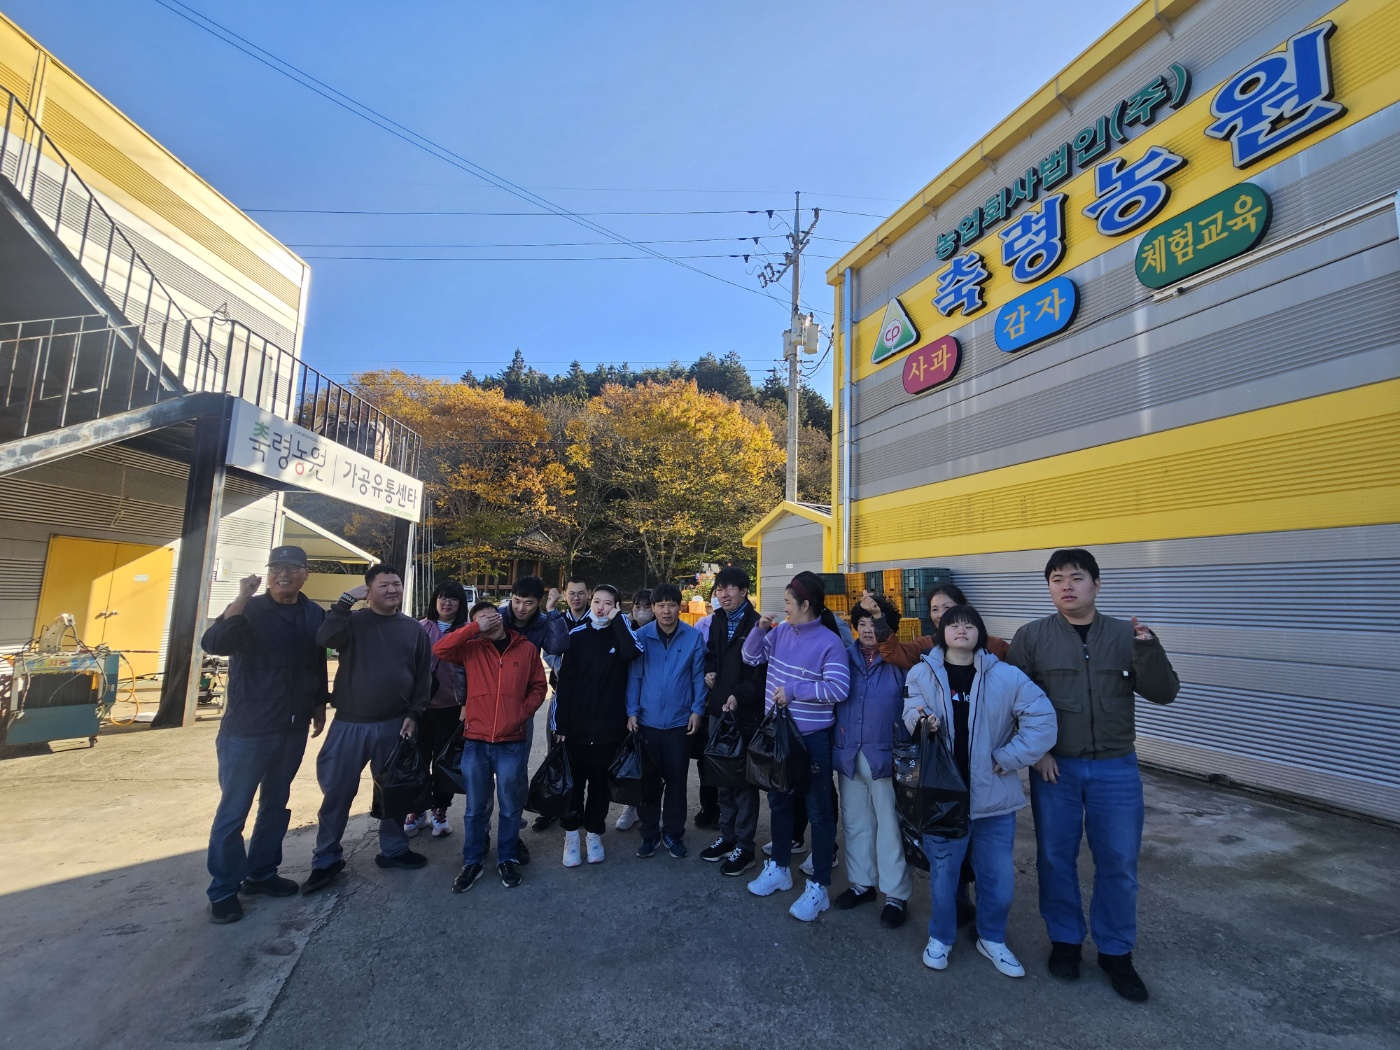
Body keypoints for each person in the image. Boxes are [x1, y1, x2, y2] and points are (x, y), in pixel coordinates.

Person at [1008, 548, 1179, 1002]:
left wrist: (1148, 649)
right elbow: (1014, 701)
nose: (1066, 585)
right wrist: (1037, 752)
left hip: (1115, 769)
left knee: (1119, 862)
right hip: (1056, 770)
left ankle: (1116, 952)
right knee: (1054, 858)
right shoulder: (1032, 637)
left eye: (1076, 577)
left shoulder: (1127, 635)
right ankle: (1065, 942)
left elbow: (1165, 692)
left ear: (1096, 584)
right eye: (1057, 579)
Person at [904, 604, 1056, 976]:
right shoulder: (922, 673)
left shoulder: (1006, 675)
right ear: (942, 633)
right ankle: (940, 936)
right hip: (942, 797)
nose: (961, 630)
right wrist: (921, 721)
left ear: (980, 633)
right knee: (944, 876)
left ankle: (992, 938)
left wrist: (1010, 756)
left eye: (969, 625)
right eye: (953, 625)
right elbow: (909, 710)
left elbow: (1042, 719)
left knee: (997, 879)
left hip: (994, 800)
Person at [865, 582, 1006, 926]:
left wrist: (1014, 751)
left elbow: (1022, 699)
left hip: (985, 765)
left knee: (985, 846)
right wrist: (878, 619)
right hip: (942, 763)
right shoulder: (926, 648)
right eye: (935, 610)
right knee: (948, 832)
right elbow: (893, 652)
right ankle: (956, 903)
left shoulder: (996, 648)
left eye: (948, 608)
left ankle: (988, 922)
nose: (942, 615)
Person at [201, 546, 328, 924]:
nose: (282, 575)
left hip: (292, 726)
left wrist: (319, 704)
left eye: (291, 568)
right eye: (276, 568)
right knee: (233, 811)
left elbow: (316, 661)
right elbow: (215, 644)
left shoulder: (313, 613)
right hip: (247, 728)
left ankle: (261, 873)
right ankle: (224, 889)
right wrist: (241, 595)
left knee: (276, 804)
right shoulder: (249, 609)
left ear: (305, 574)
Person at [303, 564, 433, 893]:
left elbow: (423, 676)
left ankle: (394, 849)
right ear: (368, 591)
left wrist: (414, 713)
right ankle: (326, 858)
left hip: (395, 723)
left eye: (396, 584)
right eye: (384, 585)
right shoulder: (353, 622)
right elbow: (324, 638)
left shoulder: (413, 629)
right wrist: (344, 602)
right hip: (350, 723)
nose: (392, 590)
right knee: (337, 793)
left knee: (394, 791)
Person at [741, 571, 850, 922]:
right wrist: (759, 629)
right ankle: (780, 867)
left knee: (818, 811)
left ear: (806, 604)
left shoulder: (830, 642)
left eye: (788, 601)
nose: (784, 606)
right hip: (778, 734)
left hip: (812, 739)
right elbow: (750, 657)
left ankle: (819, 886)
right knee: (779, 801)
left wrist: (795, 691)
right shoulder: (781, 632)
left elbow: (838, 689)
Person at [432, 601, 548, 892]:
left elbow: (539, 686)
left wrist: (521, 713)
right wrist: (473, 628)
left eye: (490, 615)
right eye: (480, 618)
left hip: (511, 742)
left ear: (501, 617)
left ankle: (507, 857)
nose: (487, 621)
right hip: (476, 741)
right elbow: (440, 649)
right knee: (474, 808)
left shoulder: (525, 648)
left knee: (510, 807)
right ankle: (472, 861)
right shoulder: (471, 648)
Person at [834, 596, 913, 929]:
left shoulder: (900, 662)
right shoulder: (843, 658)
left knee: (889, 827)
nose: (867, 629)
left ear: (887, 627)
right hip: (848, 754)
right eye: (862, 623)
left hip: (885, 758)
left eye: (874, 623)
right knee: (855, 822)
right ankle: (862, 884)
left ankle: (895, 895)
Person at [553, 584, 643, 866]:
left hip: (609, 728)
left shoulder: (621, 632)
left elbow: (632, 652)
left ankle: (593, 833)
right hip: (576, 729)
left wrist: (619, 621)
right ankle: (571, 835)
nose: (601, 608)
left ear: (616, 607)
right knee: (574, 785)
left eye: (608, 603)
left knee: (600, 786)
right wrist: (560, 725)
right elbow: (565, 684)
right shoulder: (577, 635)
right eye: (597, 602)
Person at [625, 584, 706, 858]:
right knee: (648, 781)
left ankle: (673, 833)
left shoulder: (693, 637)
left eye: (671, 605)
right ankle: (649, 833)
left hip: (679, 723)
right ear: (653, 608)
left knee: (676, 782)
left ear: (679, 607)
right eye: (660, 605)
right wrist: (632, 711)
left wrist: (697, 710)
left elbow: (698, 677)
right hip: (647, 722)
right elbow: (635, 676)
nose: (666, 611)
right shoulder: (641, 636)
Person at [697, 568, 767, 876]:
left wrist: (739, 695)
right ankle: (727, 837)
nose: (723, 594)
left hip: (744, 714)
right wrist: (709, 671)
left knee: (742, 783)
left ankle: (745, 846)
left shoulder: (757, 624)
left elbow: (760, 676)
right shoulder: (718, 620)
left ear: (744, 591)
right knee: (721, 778)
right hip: (718, 711)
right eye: (719, 589)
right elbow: (711, 653)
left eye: (730, 589)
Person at [498, 575, 568, 858]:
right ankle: (482, 836)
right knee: (484, 778)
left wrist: (552, 612)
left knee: (515, 773)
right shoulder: (497, 618)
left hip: (519, 707)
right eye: (516, 601)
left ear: (537, 602)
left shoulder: (541, 622)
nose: (521, 608)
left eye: (528, 603)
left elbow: (559, 647)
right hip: (487, 706)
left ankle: (512, 834)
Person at [408, 580, 469, 840]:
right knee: (419, 761)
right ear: (435, 601)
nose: (447, 603)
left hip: (452, 708)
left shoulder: (468, 631)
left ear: (461, 603)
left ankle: (440, 811)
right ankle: (416, 810)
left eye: (453, 598)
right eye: (442, 597)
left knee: (445, 764)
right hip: (421, 709)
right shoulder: (420, 627)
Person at [535, 576, 587, 833]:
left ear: (589, 594)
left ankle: (578, 808)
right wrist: (564, 669)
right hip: (560, 695)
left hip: (589, 699)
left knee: (585, 758)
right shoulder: (558, 620)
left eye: (581, 593)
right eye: (572, 593)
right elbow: (549, 651)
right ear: (565, 595)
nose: (576, 597)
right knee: (555, 751)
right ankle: (552, 807)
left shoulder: (595, 619)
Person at [690, 592, 723, 829]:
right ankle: (708, 806)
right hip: (706, 699)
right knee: (705, 757)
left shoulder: (747, 624)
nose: (721, 596)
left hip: (730, 701)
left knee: (727, 758)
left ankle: (726, 811)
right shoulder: (702, 625)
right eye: (717, 592)